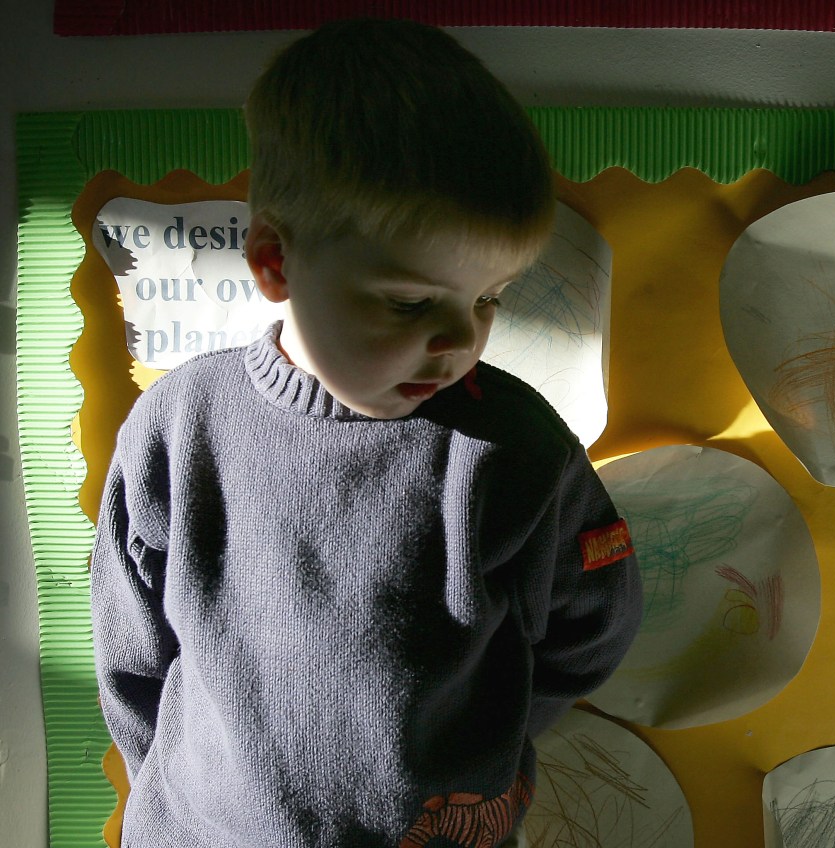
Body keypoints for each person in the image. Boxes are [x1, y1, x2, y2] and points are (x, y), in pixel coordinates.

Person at [90, 18, 642, 848]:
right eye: (411, 303)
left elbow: (593, 625)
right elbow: (130, 650)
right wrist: (169, 795)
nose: (460, 341)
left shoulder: (516, 450)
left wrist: (483, 747)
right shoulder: (181, 429)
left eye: (489, 297)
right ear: (275, 259)